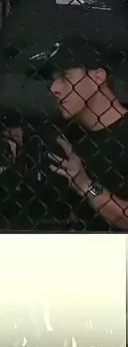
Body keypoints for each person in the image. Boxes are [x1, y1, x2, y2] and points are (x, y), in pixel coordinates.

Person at [47, 42, 128, 230]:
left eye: (65, 76)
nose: (53, 88)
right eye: (53, 79)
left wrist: (86, 186)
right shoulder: (65, 137)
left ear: (98, 78)